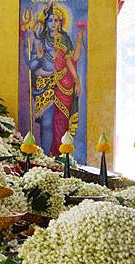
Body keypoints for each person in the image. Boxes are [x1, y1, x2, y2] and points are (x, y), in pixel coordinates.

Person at [24, 4, 85, 156]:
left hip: (63, 83)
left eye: (56, 20)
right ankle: (44, 157)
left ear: (61, 22)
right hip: (45, 84)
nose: (53, 23)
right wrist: (38, 58)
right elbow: (32, 65)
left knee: (61, 123)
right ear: (46, 22)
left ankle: (59, 158)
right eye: (50, 20)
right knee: (46, 123)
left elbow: (70, 61)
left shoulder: (65, 39)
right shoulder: (41, 39)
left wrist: (77, 80)